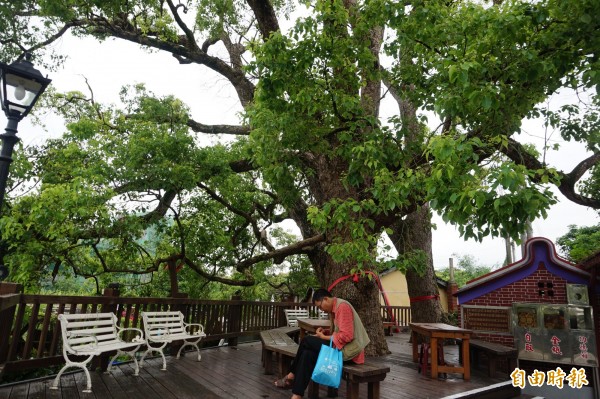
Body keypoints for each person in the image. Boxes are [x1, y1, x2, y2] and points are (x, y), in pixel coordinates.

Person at [274, 288, 370, 399]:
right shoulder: (334, 309)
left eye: (320, 306)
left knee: (306, 340)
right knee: (307, 354)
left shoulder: (342, 307)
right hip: (341, 348)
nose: (321, 310)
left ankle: (291, 375)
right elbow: (340, 332)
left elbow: (347, 336)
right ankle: (296, 395)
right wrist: (326, 332)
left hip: (350, 352)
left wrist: (324, 337)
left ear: (325, 299)